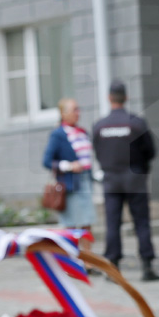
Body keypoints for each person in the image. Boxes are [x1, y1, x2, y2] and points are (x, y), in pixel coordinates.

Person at [91, 80, 159, 281]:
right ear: (126, 97)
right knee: (142, 223)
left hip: (111, 180)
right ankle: (147, 266)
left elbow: (98, 152)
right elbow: (150, 152)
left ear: (109, 98)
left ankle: (113, 268)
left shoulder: (99, 126)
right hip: (135, 180)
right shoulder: (137, 123)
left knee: (112, 224)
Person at [43, 98, 96, 231]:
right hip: (70, 184)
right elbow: (47, 161)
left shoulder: (82, 132)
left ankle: (85, 252)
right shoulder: (58, 134)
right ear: (63, 114)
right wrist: (69, 166)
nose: (78, 113)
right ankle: (71, 251)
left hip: (85, 181)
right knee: (71, 224)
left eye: (78, 109)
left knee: (87, 220)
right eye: (74, 110)